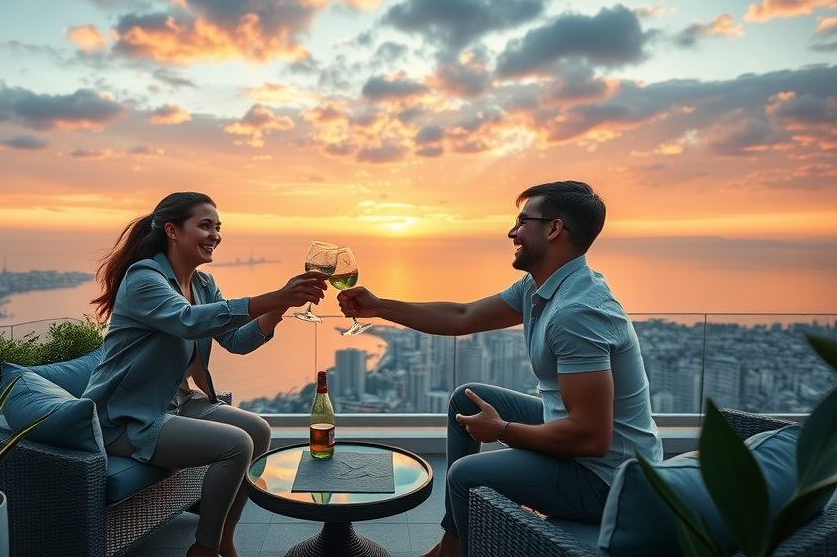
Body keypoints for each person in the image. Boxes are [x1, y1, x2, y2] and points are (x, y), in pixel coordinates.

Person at [337, 181, 662, 557]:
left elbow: (591, 439)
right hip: (583, 449)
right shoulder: (539, 287)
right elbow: (462, 316)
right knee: (466, 399)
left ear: (554, 229)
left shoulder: (577, 312)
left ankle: (458, 553)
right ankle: (451, 547)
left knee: (465, 476)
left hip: (610, 482)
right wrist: (379, 307)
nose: (512, 232)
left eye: (523, 221)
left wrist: (503, 430)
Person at [84, 192, 328, 557]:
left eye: (218, 227)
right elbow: (188, 321)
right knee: (236, 445)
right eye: (204, 225)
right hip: (126, 416)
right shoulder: (143, 278)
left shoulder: (202, 285)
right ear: (172, 231)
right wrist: (276, 295)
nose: (215, 235)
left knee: (258, 430)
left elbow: (236, 341)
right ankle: (205, 548)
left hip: (177, 404)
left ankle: (225, 539)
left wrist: (281, 305)